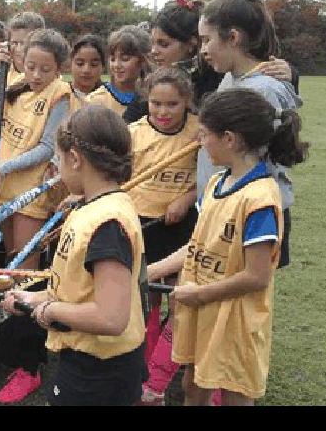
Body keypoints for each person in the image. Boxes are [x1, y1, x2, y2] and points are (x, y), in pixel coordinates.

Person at [148, 87, 309, 405]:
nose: (199, 141)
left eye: (205, 134)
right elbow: (197, 246)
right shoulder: (216, 183)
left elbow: (257, 276)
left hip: (234, 320)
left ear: (230, 139)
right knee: (193, 384)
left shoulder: (259, 199)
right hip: (202, 311)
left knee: (235, 394)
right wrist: (149, 270)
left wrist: (199, 293)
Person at [1, 104, 147, 406]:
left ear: (75, 159)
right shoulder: (93, 206)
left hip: (103, 368)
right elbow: (81, 291)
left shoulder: (107, 222)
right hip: (88, 358)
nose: (57, 168)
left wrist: (49, 312)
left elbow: (111, 318)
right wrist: (31, 300)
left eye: (58, 160)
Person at [197, 0, 303, 270]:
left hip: (249, 214)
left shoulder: (265, 89)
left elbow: (262, 159)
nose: (203, 50)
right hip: (224, 206)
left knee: (243, 302)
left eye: (207, 40)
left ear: (233, 37)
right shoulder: (231, 79)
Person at [126, 67, 199, 406]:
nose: (163, 112)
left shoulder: (199, 133)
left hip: (182, 229)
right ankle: (146, 371)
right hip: (142, 227)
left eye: (172, 104)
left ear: (187, 102)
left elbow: (212, 179)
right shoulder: (134, 133)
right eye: (156, 103)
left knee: (179, 300)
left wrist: (185, 199)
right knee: (146, 300)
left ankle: (171, 367)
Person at [0, 29, 71, 268]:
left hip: (30, 187)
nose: (36, 75)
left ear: (59, 68)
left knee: (24, 262)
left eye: (45, 70)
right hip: (1, 182)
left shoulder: (60, 94)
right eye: (30, 66)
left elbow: (47, 147)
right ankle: (10, 305)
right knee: (11, 256)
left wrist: (8, 167)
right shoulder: (15, 81)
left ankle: (24, 305)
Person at [123, 0, 296, 122]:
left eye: (163, 44)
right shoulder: (152, 82)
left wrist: (290, 75)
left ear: (190, 45)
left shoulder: (218, 75)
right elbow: (130, 122)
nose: (153, 51)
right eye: (152, 43)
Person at [87, 25, 153, 118]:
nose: (117, 65)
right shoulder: (97, 100)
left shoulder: (155, 96)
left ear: (143, 60)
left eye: (125, 59)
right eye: (113, 59)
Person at [68, 34, 106, 112]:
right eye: (80, 63)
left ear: (103, 66)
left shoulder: (110, 97)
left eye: (94, 65)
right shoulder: (61, 95)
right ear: (70, 63)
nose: (86, 70)